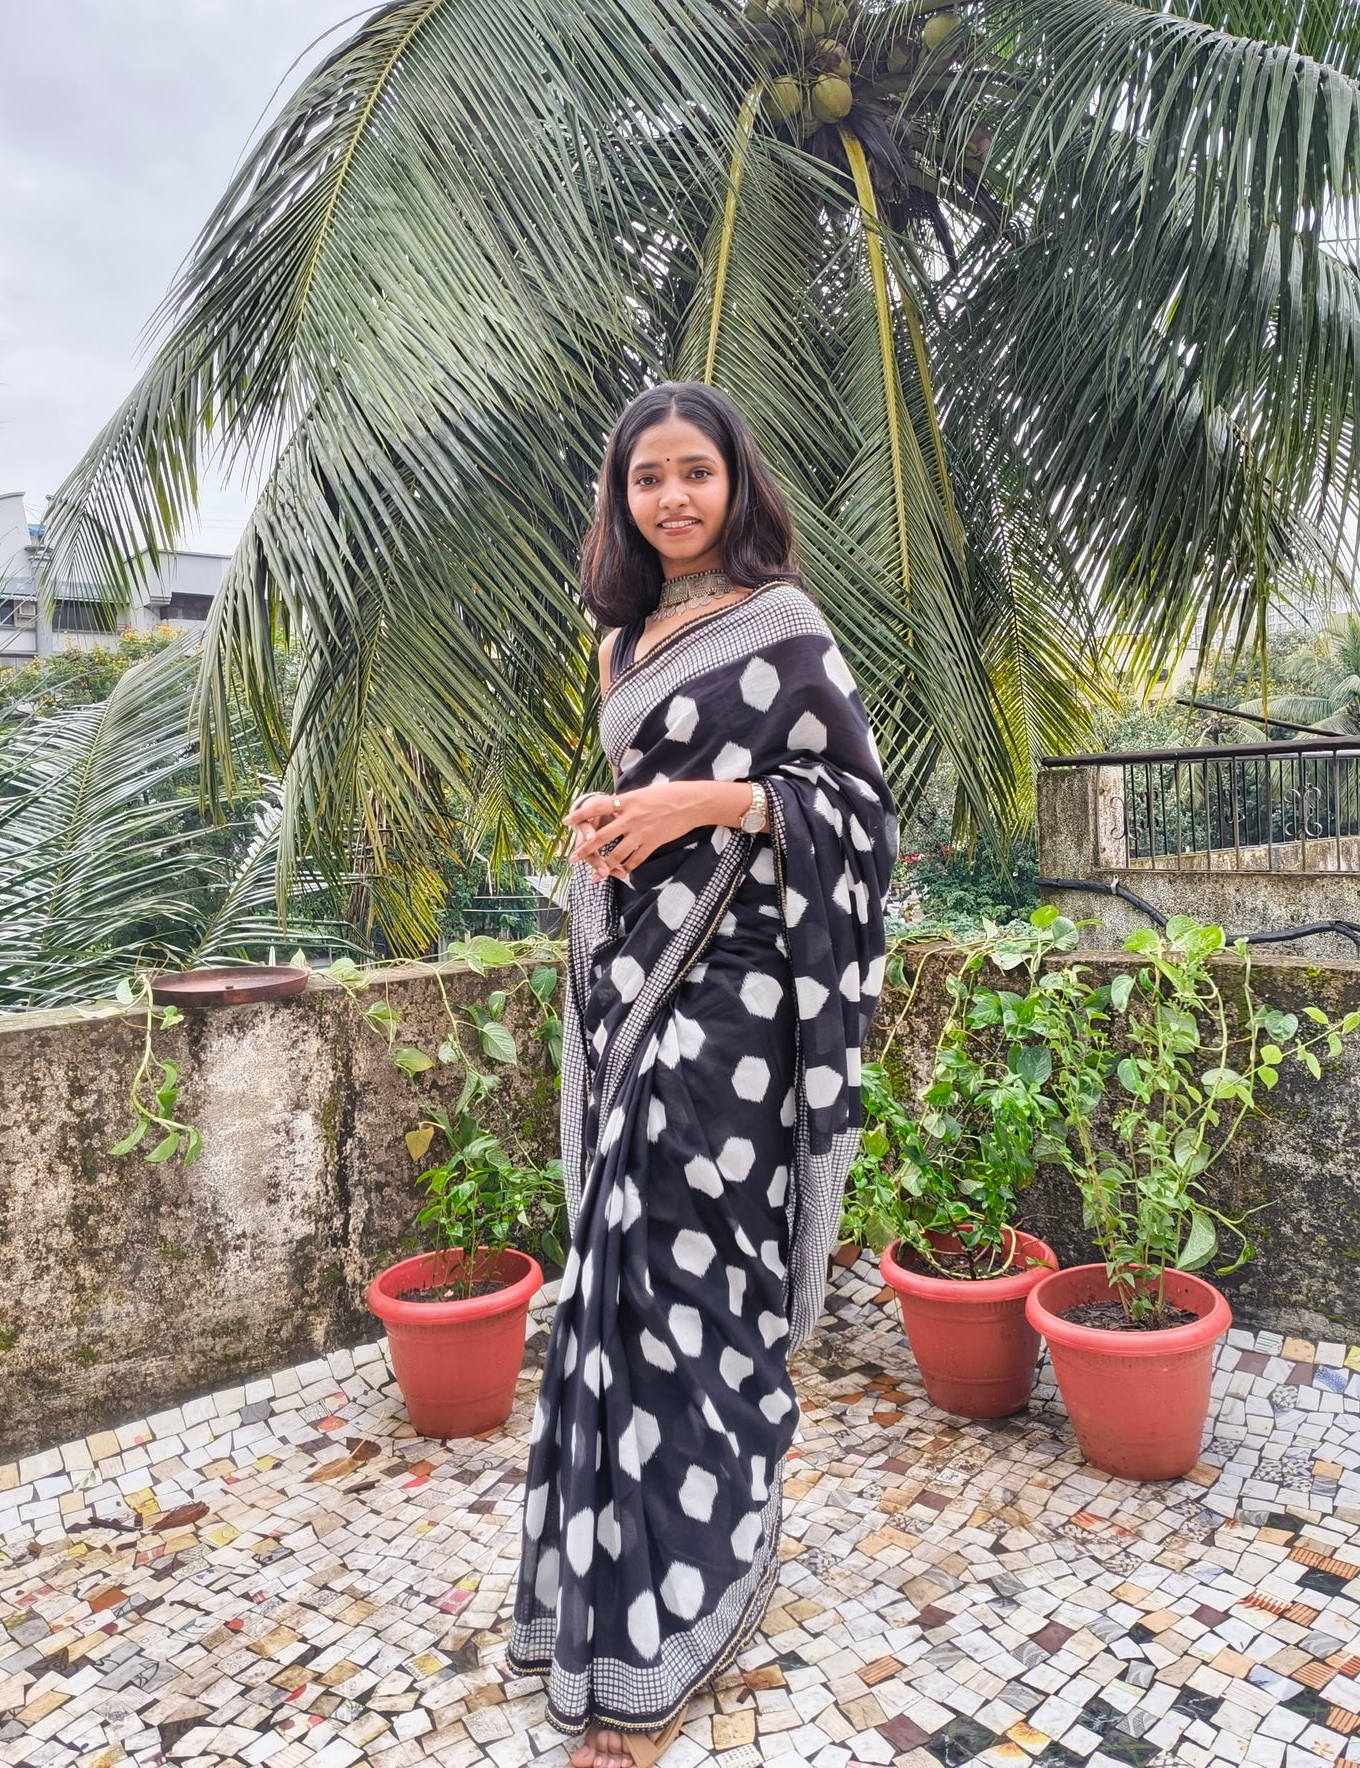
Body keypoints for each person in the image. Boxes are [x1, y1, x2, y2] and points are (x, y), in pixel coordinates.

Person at [505, 382, 897, 1767]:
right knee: (614, 1301)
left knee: (693, 1293)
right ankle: (615, 1620)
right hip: (623, 998)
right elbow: (648, 807)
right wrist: (613, 823)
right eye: (646, 480)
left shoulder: (784, 631)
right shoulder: (618, 642)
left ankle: (679, 1621)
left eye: (695, 474)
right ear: (618, 499)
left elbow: (857, 815)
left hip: (731, 1014)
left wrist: (711, 802)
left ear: (736, 484)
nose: (671, 500)